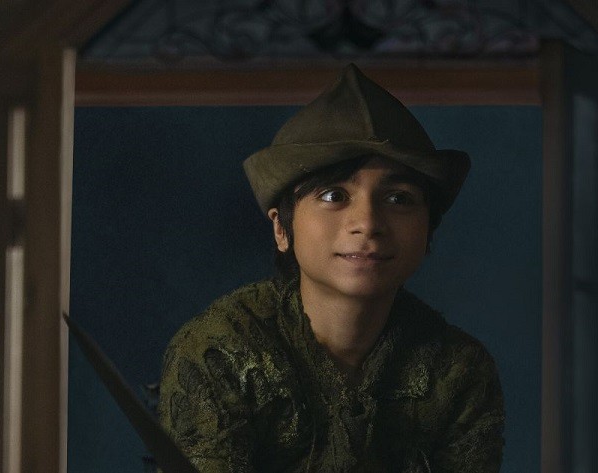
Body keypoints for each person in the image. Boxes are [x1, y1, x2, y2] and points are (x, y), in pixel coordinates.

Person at [157, 64, 504, 472]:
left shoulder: (459, 370)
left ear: (428, 229)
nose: (368, 223)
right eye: (334, 195)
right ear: (281, 228)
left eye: (399, 198)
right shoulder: (220, 352)